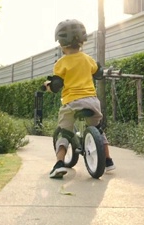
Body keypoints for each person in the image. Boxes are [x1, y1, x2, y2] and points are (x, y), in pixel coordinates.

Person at [44, 19, 115, 179]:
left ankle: (59, 164)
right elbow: (98, 72)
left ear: (61, 44)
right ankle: (108, 161)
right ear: (82, 42)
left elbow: (56, 85)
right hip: (92, 101)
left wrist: (48, 85)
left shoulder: (60, 64)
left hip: (72, 103)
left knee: (64, 131)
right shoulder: (88, 59)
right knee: (98, 128)